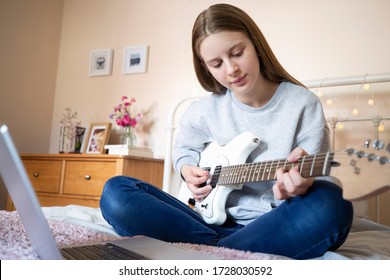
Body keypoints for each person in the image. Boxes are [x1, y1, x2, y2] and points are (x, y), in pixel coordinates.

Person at [100, 3, 353, 259]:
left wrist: (297, 187)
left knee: (332, 202)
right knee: (116, 191)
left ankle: (207, 250)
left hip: (272, 223)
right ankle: (223, 249)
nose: (231, 70)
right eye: (216, 63)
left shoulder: (302, 103)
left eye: (237, 53)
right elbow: (184, 149)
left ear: (255, 43)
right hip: (200, 220)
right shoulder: (203, 110)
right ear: (205, 66)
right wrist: (187, 170)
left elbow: (314, 178)